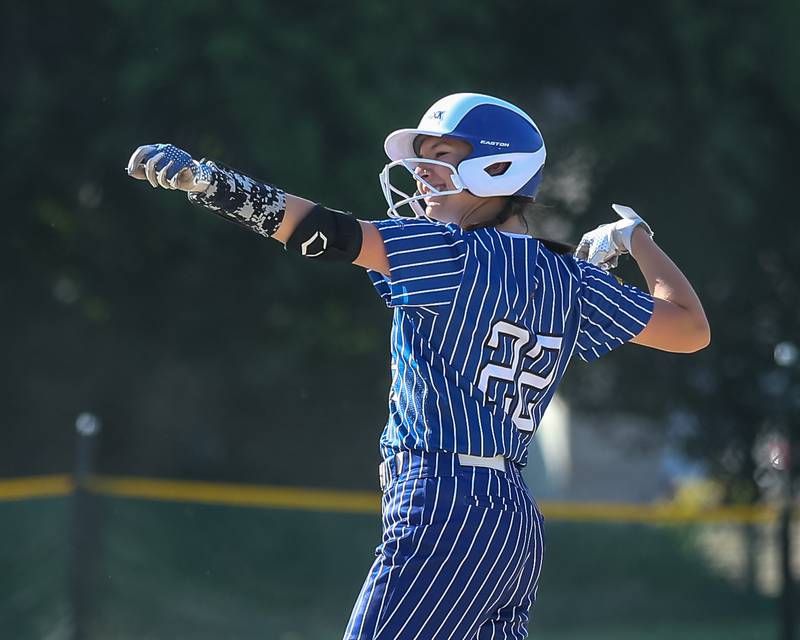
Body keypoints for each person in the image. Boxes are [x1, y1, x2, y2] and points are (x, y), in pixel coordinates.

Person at [126, 92, 709, 639]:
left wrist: (207, 182)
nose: (423, 172)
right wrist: (635, 237)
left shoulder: (448, 253)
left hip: (443, 499)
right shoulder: (572, 278)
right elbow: (690, 328)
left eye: (443, 156)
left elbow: (319, 231)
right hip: (510, 516)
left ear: (500, 169)